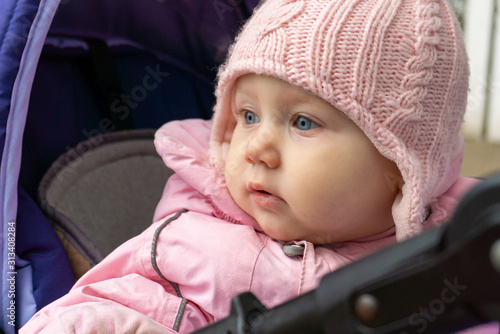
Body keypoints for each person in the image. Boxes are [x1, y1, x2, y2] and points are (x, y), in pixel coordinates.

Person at [21, 0, 499, 333]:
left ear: (400, 166)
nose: (257, 149)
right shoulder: (199, 243)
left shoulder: (455, 267)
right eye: (247, 116)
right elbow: (108, 307)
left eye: (303, 122)